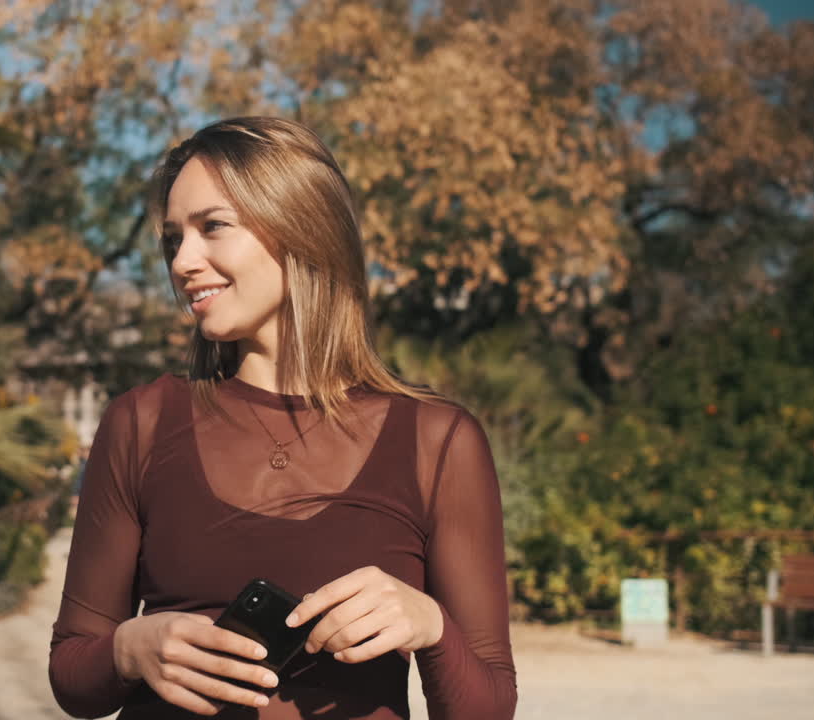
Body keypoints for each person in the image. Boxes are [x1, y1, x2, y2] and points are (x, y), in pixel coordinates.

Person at [48, 117, 517, 719]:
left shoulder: (437, 440)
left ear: (302, 228)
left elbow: (490, 707)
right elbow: (70, 672)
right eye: (172, 240)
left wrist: (431, 625)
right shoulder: (139, 423)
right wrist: (128, 649)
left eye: (212, 227)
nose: (183, 261)